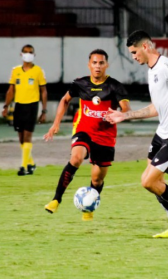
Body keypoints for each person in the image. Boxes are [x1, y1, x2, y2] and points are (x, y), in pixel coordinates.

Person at [105, 30, 168, 238]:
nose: (133, 57)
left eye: (134, 52)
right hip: (162, 132)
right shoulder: (151, 70)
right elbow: (155, 108)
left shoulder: (166, 66)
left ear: (145, 47)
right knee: (151, 182)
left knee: (149, 181)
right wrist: (125, 116)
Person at [43, 49, 130, 221]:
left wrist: (119, 114)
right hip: (83, 130)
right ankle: (56, 200)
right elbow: (65, 100)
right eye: (94, 63)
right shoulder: (80, 83)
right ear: (89, 65)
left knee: (97, 180)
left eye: (101, 63)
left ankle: (89, 208)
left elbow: (126, 108)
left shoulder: (115, 86)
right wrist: (56, 123)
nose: (97, 66)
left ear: (107, 65)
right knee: (75, 158)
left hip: (105, 135)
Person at [2, 44, 48, 176]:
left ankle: (23, 167)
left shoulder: (38, 71)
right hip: (19, 106)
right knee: (21, 138)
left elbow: (43, 91)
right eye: (26, 52)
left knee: (27, 136)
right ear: (21, 54)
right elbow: (11, 90)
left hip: (32, 106)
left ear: (34, 55)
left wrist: (44, 110)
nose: (28, 54)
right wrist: (6, 106)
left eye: (31, 52)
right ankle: (31, 163)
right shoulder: (15, 71)